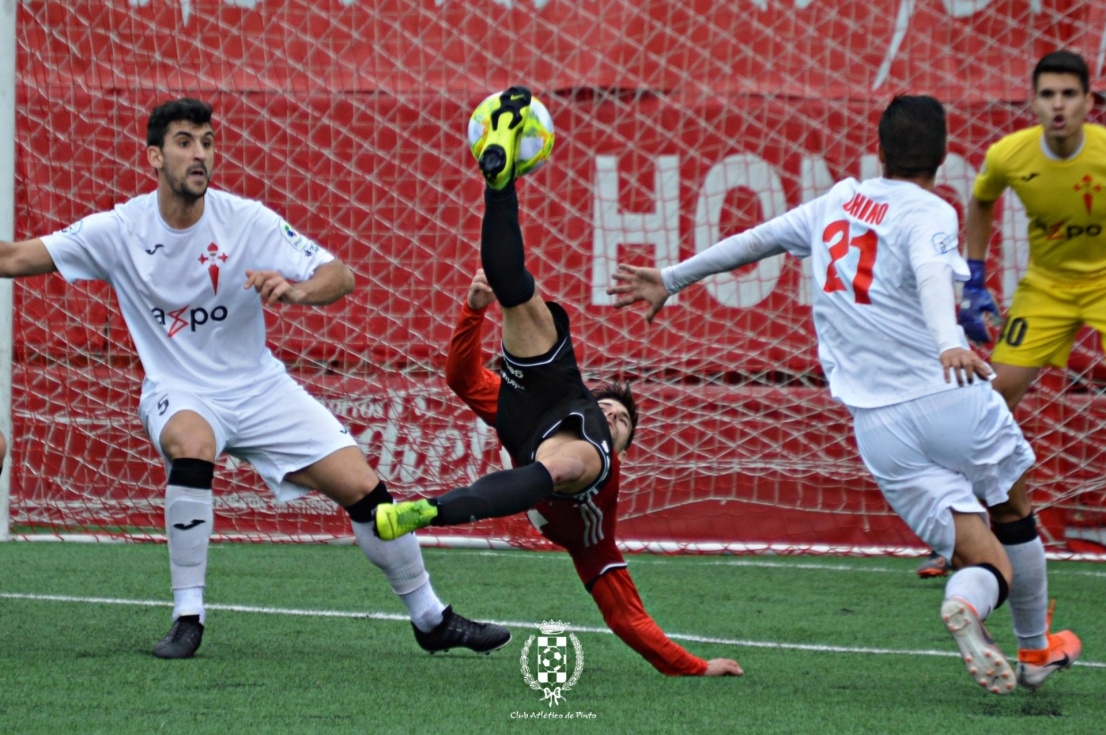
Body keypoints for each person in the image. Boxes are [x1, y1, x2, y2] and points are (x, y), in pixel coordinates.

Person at [0, 98, 509, 660]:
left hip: (260, 388)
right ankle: (187, 617)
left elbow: (339, 275)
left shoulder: (246, 220)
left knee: (365, 489)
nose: (199, 154)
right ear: (154, 157)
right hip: (180, 390)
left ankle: (431, 619)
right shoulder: (119, 229)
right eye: (184, 142)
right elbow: (13, 258)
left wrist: (297, 290)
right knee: (192, 443)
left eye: (207, 142)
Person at [608, 95, 1081, 694]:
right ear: (942, 158)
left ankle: (968, 603)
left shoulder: (836, 201)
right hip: (948, 395)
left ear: (879, 151)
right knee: (1012, 511)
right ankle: (1035, 649)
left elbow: (757, 239)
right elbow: (932, 273)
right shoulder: (931, 211)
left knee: (981, 557)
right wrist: (947, 343)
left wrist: (672, 278)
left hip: (880, 429)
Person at [375, 87, 742, 676]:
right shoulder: (584, 407)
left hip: (545, 446)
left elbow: (627, 617)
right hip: (551, 394)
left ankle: (427, 511)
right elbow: (462, 379)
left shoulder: (594, 534)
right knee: (512, 286)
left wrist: (693, 665)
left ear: (627, 446)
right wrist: (472, 312)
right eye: (612, 409)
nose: (615, 416)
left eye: (623, 421)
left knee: (569, 467)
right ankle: (501, 180)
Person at [960, 50, 1106, 411]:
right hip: (1046, 287)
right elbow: (981, 201)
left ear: (1088, 101)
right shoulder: (1007, 155)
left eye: (1068, 94)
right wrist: (974, 276)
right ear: (1033, 102)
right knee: (995, 398)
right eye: (1048, 94)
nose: (1058, 105)